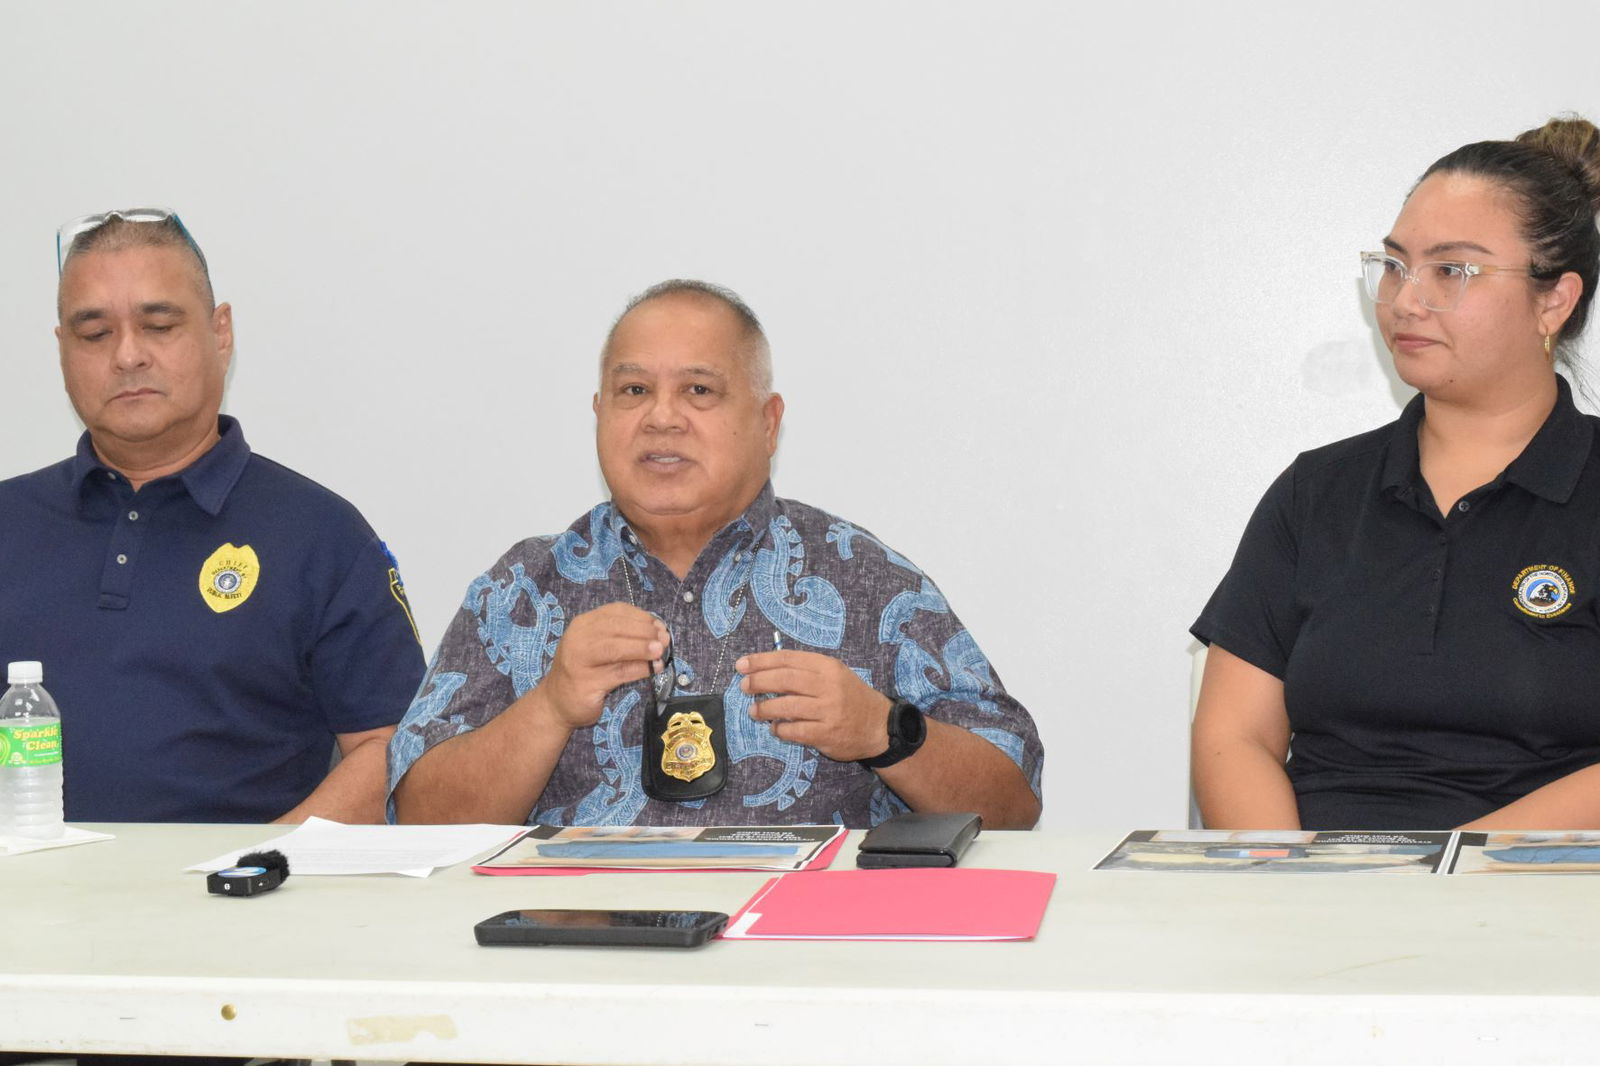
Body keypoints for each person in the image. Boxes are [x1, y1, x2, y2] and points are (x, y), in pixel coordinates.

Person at [388, 280, 1042, 829]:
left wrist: (885, 732)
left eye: (699, 390)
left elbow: (1013, 807)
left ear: (768, 422)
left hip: (800, 937)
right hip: (578, 935)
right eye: (634, 391)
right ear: (599, 413)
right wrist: (550, 706)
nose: (662, 417)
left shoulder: (865, 579)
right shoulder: (523, 589)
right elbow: (418, 821)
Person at [1192, 116, 1600, 831]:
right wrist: (1292, 874)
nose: (1406, 299)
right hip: (1317, 878)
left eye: (1452, 271)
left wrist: (1438, 874)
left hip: (1544, 885)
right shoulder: (1316, 493)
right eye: (1395, 265)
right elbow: (1236, 736)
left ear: (1554, 301)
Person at [0, 208, 425, 823]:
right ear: (62, 349)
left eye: (159, 325)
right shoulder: (10, 521)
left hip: (243, 880)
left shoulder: (321, 534)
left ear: (220, 333)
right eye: (94, 335)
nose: (127, 356)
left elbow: (390, 747)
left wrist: (260, 859)